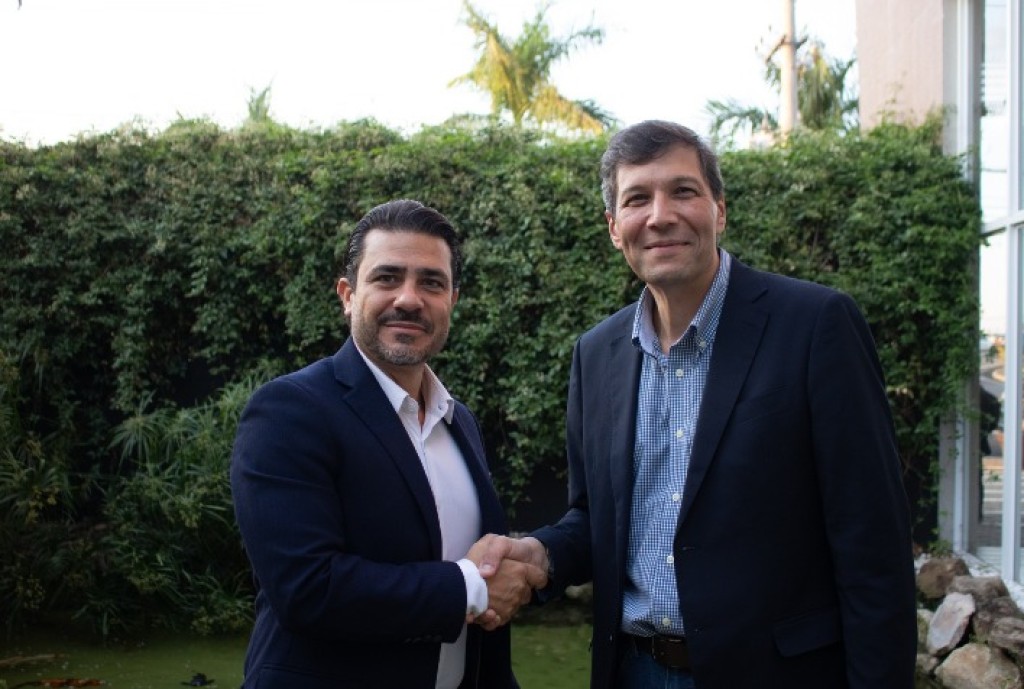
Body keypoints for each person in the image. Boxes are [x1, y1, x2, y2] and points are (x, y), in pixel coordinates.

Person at [477, 120, 918, 688]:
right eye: (637, 199)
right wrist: (541, 555)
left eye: (683, 191)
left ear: (719, 211)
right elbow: (595, 517)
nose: (660, 215)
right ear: (614, 228)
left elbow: (873, 544)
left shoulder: (815, 326)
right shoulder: (597, 354)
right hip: (632, 671)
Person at [230, 199, 545, 689]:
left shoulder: (458, 421)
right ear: (348, 295)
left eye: (431, 283)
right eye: (387, 278)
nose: (409, 299)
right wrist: (471, 586)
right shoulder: (290, 410)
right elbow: (307, 588)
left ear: (452, 301)